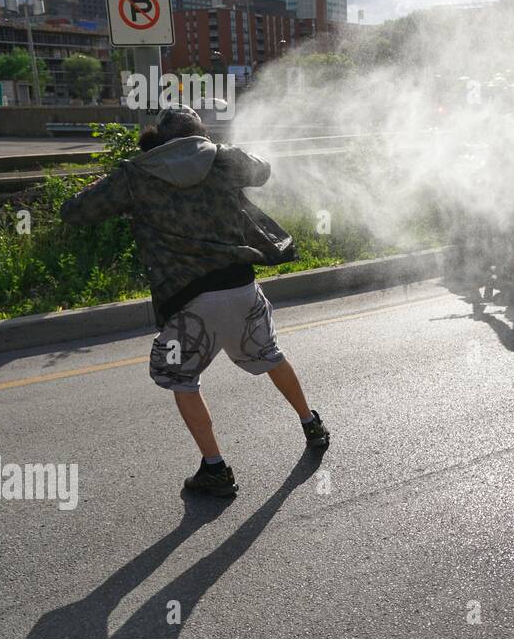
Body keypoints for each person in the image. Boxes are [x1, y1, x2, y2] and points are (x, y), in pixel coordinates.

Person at [59, 105, 330, 498]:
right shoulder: (224, 161)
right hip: (242, 289)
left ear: (159, 138)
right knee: (270, 354)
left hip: (187, 302)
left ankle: (215, 469)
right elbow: (264, 170)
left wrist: (123, 180)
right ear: (201, 136)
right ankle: (311, 424)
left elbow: (74, 212)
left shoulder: (135, 175)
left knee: (182, 378)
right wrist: (222, 151)